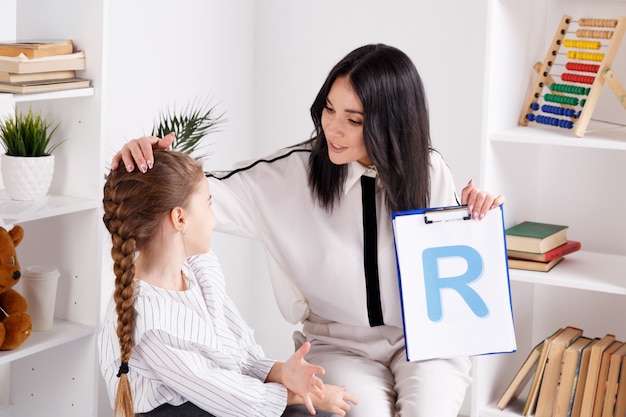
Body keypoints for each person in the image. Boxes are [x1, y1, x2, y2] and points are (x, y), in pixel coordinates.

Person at [112, 44, 505, 417]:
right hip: (340, 347)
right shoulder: (288, 177)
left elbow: (453, 277)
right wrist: (139, 163)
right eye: (328, 110)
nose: (331, 129)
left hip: (426, 343)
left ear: (393, 125)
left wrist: (475, 215)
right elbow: (185, 198)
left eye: (353, 120)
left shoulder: (430, 172)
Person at [99, 149, 357, 417]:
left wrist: (280, 372)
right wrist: (298, 395)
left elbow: (239, 355)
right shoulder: (150, 321)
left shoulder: (198, 271)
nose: (213, 218)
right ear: (179, 218)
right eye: (208, 204)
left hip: (224, 400)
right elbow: (222, 394)